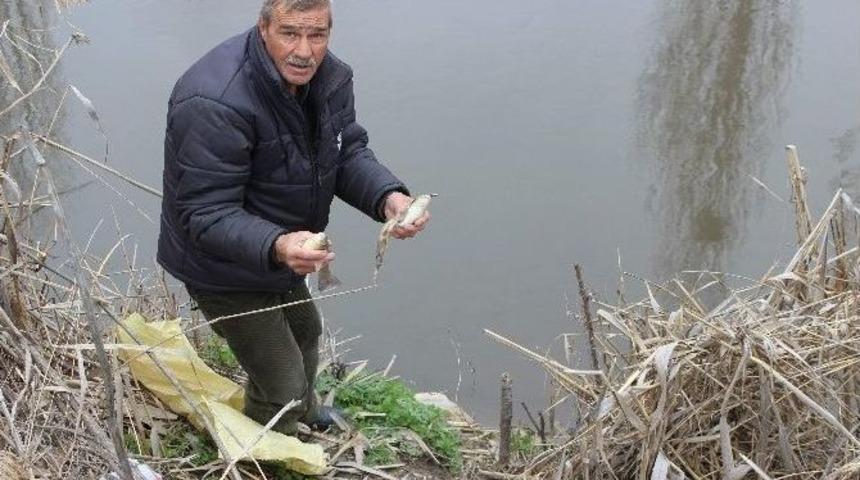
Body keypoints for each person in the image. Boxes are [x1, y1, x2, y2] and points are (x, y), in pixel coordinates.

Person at [157, 0, 429, 435]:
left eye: (317, 35)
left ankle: (305, 413)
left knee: (306, 331)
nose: (305, 51)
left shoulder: (330, 78)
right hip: (219, 264)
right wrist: (279, 245)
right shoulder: (214, 101)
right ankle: (265, 450)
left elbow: (345, 151)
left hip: (281, 248)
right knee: (280, 384)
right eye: (290, 33)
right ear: (264, 27)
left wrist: (388, 198)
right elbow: (204, 214)